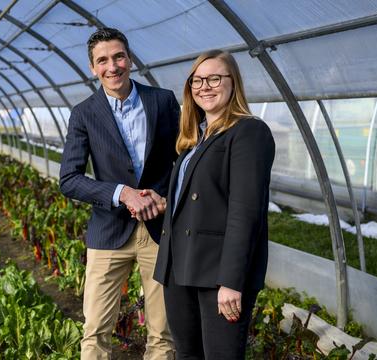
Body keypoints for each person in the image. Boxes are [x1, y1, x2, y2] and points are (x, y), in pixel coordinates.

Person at [59, 27, 180, 359]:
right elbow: (68, 178)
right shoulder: (84, 113)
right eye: (102, 61)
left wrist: (163, 198)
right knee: (95, 329)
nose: (112, 67)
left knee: (163, 332)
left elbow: (183, 162)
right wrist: (121, 193)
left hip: (159, 229)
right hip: (109, 231)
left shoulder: (162, 101)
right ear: (93, 68)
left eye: (118, 57)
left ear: (130, 59)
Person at [153, 49, 275, 360]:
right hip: (180, 267)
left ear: (233, 83)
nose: (204, 87)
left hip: (218, 273)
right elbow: (201, 200)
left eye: (214, 78)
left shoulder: (248, 131)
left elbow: (245, 212)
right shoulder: (197, 138)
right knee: (187, 354)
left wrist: (232, 282)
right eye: (197, 80)